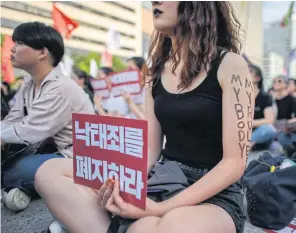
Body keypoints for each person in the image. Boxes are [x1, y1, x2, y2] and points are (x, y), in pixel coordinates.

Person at [35, 2, 253, 233]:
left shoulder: (230, 65)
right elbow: (150, 151)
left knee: (159, 227)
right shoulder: (155, 71)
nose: (154, 1)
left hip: (215, 193)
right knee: (49, 172)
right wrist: (121, 184)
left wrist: (157, 209)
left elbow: (234, 164)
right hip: (164, 177)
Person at [0, 22, 94, 211]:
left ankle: (50, 187)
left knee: (11, 171)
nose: (12, 49)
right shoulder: (28, 84)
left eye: (19, 43)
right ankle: (27, 189)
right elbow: (13, 119)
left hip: (76, 157)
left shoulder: (59, 88)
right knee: (10, 166)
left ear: (42, 52)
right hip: (49, 151)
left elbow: (30, 131)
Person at [249, 65, 276, 149]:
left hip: (259, 134)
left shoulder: (265, 97)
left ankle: (246, 144)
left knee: (268, 130)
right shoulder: (238, 97)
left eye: (249, 71)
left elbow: (269, 120)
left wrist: (248, 124)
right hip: (242, 133)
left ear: (257, 78)